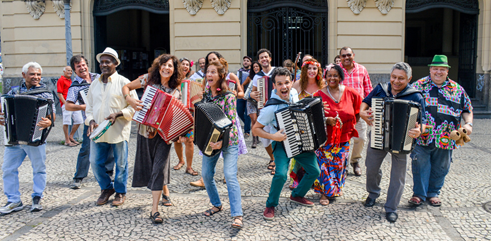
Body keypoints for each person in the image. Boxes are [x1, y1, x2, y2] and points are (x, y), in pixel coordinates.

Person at [360, 62, 426, 223]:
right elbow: (366, 102)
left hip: (402, 141)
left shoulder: (416, 96)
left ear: (409, 79)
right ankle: (373, 193)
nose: (396, 81)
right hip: (378, 134)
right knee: (371, 168)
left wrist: (419, 130)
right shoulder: (380, 89)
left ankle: (391, 208)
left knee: (398, 176)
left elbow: (424, 122)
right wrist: (362, 113)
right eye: (393, 77)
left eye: (401, 79)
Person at [252, 67, 320, 220]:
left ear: (291, 83)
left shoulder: (294, 93)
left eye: (287, 83)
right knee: (281, 175)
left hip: (299, 141)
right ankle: (270, 204)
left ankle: (297, 195)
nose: (284, 87)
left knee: (314, 171)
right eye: (279, 84)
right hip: (281, 143)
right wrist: (273, 137)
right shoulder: (270, 108)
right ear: (275, 86)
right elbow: (255, 129)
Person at [408, 55, 473, 208]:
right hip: (422, 135)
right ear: (430, 69)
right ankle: (419, 194)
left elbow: (467, 109)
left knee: (442, 167)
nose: (438, 72)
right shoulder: (418, 85)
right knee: (420, 164)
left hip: (447, 136)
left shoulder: (457, 89)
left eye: (442, 69)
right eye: (435, 69)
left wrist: (468, 124)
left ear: (447, 71)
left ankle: (433, 193)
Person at [124, 54, 182, 224]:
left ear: (174, 69)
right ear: (159, 66)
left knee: (158, 167)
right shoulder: (148, 79)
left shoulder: (176, 88)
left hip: (164, 135)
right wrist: (131, 100)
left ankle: (154, 210)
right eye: (164, 65)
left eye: (170, 66)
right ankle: (165, 191)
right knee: (151, 165)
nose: (166, 68)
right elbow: (126, 87)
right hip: (145, 131)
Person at [0, 62, 55, 214]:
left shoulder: (45, 94)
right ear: (24, 75)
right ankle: (13, 200)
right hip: (15, 138)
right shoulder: (13, 92)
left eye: (38, 74)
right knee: (8, 169)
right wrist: (2, 118)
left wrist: (49, 121)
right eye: (32, 74)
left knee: (39, 169)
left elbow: (52, 116)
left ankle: (37, 196)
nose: (36, 77)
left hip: (35, 138)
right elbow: (4, 109)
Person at [85, 47, 137, 206]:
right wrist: (91, 120)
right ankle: (107, 188)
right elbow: (89, 107)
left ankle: (120, 192)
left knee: (121, 164)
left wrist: (118, 114)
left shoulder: (124, 82)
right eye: (102, 62)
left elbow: (134, 107)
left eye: (108, 62)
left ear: (116, 64)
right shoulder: (94, 83)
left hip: (118, 131)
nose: (104, 65)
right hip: (98, 132)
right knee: (95, 162)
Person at [200, 58, 243, 229]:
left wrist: (221, 141)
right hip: (212, 141)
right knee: (206, 174)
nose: (209, 74)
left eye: (212, 72)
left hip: (229, 141)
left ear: (220, 76)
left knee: (230, 175)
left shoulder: (229, 96)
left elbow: (231, 122)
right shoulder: (206, 95)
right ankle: (217, 204)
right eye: (207, 71)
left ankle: (237, 215)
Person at [312, 64, 362, 205]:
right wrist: (326, 120)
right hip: (324, 138)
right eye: (329, 75)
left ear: (340, 77)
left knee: (338, 165)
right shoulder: (318, 95)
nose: (332, 78)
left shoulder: (351, 93)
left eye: (335, 75)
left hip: (343, 137)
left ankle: (334, 189)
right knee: (324, 165)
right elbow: (312, 117)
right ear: (325, 77)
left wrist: (347, 125)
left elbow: (358, 112)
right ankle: (325, 193)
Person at [65, 55, 115, 190]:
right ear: (75, 70)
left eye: (83, 65)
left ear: (87, 65)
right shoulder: (75, 86)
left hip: (105, 118)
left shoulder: (98, 77)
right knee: (86, 149)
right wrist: (84, 107)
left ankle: (109, 172)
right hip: (90, 120)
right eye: (78, 66)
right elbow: (68, 106)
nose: (82, 68)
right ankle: (79, 176)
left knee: (109, 145)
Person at [289, 58, 324, 189]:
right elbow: (290, 102)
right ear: (304, 70)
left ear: (318, 70)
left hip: (318, 122)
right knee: (299, 151)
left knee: (317, 150)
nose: (312, 71)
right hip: (301, 122)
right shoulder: (297, 84)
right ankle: (297, 179)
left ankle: (314, 178)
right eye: (309, 68)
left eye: (314, 68)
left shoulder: (323, 84)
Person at [339, 46, 373, 176]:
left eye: (348, 55)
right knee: (343, 139)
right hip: (342, 111)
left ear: (353, 55)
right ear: (340, 58)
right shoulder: (337, 70)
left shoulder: (362, 69)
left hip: (360, 111)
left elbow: (368, 89)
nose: (346, 57)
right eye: (343, 55)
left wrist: (369, 107)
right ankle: (343, 163)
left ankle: (355, 161)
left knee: (361, 138)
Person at [250, 49, 279, 175]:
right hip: (264, 109)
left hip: (278, 108)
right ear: (259, 61)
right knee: (264, 138)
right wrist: (253, 94)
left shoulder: (277, 71)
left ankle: (277, 162)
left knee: (277, 136)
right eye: (261, 58)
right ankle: (272, 158)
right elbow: (250, 92)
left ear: (270, 58)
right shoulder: (258, 76)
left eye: (266, 57)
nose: (264, 59)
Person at [173, 57, 198, 176]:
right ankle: (180, 161)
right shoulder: (172, 81)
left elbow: (197, 97)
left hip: (189, 114)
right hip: (175, 113)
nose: (185, 66)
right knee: (177, 140)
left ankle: (189, 166)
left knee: (189, 141)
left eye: (187, 65)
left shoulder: (192, 81)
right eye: (183, 64)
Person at [57, 66, 82, 147]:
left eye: (71, 71)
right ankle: (67, 140)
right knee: (66, 122)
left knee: (79, 120)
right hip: (66, 103)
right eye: (68, 70)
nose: (70, 72)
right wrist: (65, 103)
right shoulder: (61, 80)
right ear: (64, 71)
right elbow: (59, 93)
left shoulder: (71, 80)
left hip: (74, 103)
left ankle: (71, 136)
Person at [245, 61, 261, 148]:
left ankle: (257, 136)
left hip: (259, 101)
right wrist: (245, 93)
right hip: (250, 101)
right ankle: (254, 140)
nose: (255, 68)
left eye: (257, 66)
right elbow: (242, 84)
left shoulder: (263, 76)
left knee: (258, 120)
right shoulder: (250, 77)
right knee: (253, 119)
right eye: (254, 67)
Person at [237, 56, 252, 138]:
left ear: (250, 63)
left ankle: (247, 131)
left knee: (247, 113)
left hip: (249, 94)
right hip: (240, 94)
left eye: (247, 61)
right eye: (244, 61)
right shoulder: (239, 71)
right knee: (239, 111)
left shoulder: (252, 72)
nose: (245, 62)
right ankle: (248, 124)